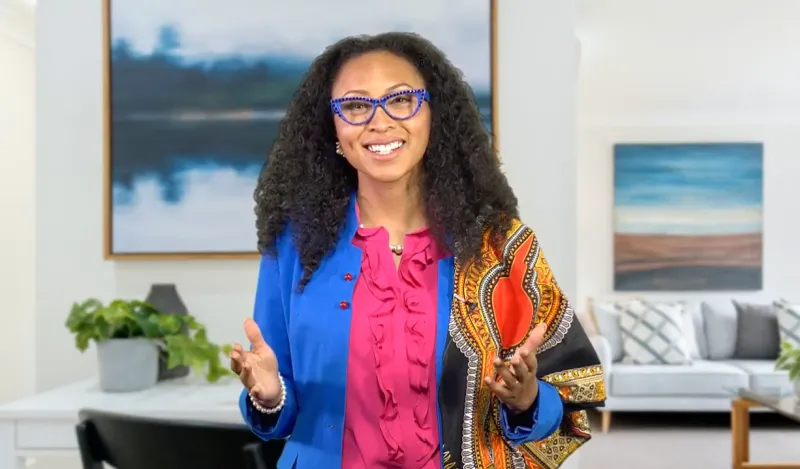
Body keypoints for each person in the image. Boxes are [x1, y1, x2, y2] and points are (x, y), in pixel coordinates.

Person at [229, 31, 605, 469]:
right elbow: (278, 410)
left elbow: (566, 398)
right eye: (354, 105)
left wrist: (526, 399)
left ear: (432, 114)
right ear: (332, 127)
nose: (379, 121)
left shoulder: (499, 246)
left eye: (401, 99)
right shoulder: (294, 245)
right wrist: (271, 397)